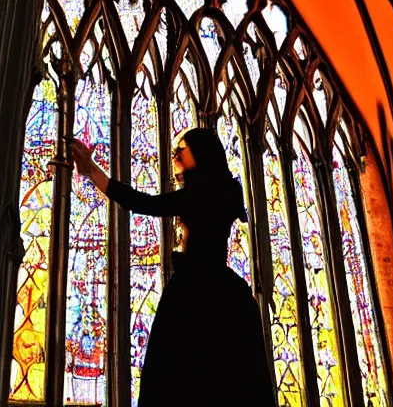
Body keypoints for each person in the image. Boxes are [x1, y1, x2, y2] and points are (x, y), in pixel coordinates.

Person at [69, 128, 276, 407]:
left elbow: (141, 203)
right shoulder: (223, 190)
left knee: (177, 372)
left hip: (195, 291)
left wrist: (92, 170)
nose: (175, 154)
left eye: (182, 148)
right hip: (224, 291)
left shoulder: (201, 193)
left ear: (200, 153)